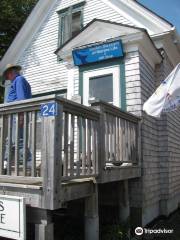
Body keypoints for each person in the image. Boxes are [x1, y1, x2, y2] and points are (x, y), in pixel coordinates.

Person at [2, 64, 32, 172]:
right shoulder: (17, 81)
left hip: (17, 114)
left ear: (11, 72)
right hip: (14, 115)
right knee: (10, 141)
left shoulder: (19, 80)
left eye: (7, 75)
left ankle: (29, 162)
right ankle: (6, 163)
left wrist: (21, 116)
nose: (8, 78)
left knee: (18, 141)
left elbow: (22, 100)